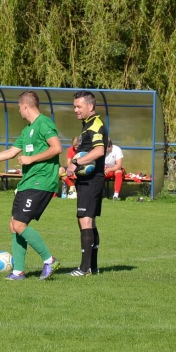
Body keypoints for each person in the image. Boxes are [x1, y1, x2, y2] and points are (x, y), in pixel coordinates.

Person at [0, 91, 61, 281]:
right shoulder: (27, 130)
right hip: (28, 182)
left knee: (19, 224)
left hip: (41, 182)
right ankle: (18, 272)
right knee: (13, 224)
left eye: (18, 107)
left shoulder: (44, 123)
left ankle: (49, 260)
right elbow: (10, 153)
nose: (19, 111)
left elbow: (56, 148)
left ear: (25, 106)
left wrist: (31, 158)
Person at [67, 90, 107, 277]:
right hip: (87, 180)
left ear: (90, 106)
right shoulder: (87, 125)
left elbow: (99, 151)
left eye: (78, 106)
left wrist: (76, 163)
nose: (75, 110)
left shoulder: (96, 125)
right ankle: (93, 266)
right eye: (74, 106)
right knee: (87, 220)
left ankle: (84, 269)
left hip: (92, 180)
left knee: (86, 220)